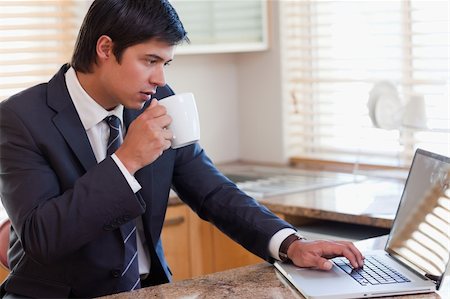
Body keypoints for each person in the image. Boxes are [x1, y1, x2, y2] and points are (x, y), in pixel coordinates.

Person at [0, 0, 364, 298]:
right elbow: (41, 236)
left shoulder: (158, 102)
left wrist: (290, 244)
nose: (160, 79)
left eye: (166, 63)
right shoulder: (20, 118)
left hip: (151, 291)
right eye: (150, 61)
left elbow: (213, 190)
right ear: (106, 48)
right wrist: (127, 161)